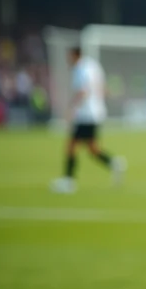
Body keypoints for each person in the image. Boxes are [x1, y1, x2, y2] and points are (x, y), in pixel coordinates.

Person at [51, 47, 126, 194]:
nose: (68, 60)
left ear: (75, 55)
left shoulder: (80, 69)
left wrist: (71, 108)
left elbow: (83, 92)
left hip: (86, 115)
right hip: (96, 112)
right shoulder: (94, 66)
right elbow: (102, 88)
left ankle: (68, 181)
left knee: (71, 146)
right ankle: (114, 163)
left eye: (69, 57)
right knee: (92, 148)